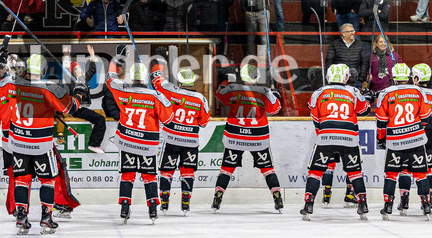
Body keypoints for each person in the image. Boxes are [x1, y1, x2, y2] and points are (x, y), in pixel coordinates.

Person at [6, 54, 78, 234]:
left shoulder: (15, 85)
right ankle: (46, 218)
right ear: (44, 70)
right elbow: (71, 108)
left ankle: (21, 218)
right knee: (48, 180)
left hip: (19, 143)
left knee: (22, 180)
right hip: (41, 145)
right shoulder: (48, 89)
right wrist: (80, 89)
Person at [105, 53, 174, 224]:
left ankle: (124, 207)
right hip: (147, 144)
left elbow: (110, 78)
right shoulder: (155, 95)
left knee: (127, 175)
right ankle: (152, 208)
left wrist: (116, 59)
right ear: (144, 77)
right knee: (149, 176)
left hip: (127, 142)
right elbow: (168, 118)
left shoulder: (122, 90)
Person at [300, 64, 371, 220]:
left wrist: (323, 132)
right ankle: (363, 204)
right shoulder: (353, 91)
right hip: (349, 137)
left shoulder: (318, 92)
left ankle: (308, 204)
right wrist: (368, 98)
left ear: (328, 77)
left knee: (315, 172)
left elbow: (315, 117)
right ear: (346, 77)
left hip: (326, 135)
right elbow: (364, 111)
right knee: (355, 172)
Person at [212, 63, 283, 212]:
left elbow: (219, 94)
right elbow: (275, 109)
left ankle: (218, 196)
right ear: (256, 77)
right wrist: (275, 95)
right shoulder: (264, 91)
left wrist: (225, 79)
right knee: (268, 169)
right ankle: (277, 196)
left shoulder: (233, 89)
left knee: (226, 169)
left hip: (235, 137)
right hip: (258, 138)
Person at [375, 63, 432, 219]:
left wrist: (381, 139)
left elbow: (381, 122)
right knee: (421, 174)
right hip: (416, 140)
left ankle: (388, 206)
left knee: (391, 174)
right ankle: (426, 205)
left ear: (392, 77)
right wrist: (415, 129)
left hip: (395, 141)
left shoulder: (385, 93)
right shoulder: (418, 91)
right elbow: (427, 118)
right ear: (408, 76)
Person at [151, 63, 210, 216]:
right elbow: (204, 123)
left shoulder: (170, 90)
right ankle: (186, 200)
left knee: (166, 171)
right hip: (190, 141)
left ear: (180, 81)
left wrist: (159, 62)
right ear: (193, 81)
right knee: (188, 172)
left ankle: (164, 199)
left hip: (171, 140)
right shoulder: (200, 98)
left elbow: (156, 78)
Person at [412, 64, 432, 199]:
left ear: (416, 78)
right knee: (428, 167)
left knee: (406, 167)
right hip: (428, 131)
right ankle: (428, 199)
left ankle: (404, 200)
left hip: (413, 131)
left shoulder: (412, 92)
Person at [325, 24, 370, 89]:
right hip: (338, 80)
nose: (352, 33)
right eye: (350, 31)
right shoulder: (334, 44)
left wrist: (361, 78)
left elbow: (364, 62)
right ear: (343, 34)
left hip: (355, 81)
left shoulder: (360, 44)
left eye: (353, 31)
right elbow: (329, 61)